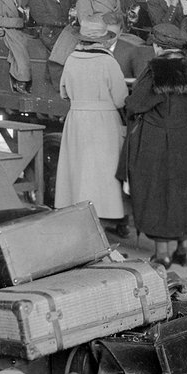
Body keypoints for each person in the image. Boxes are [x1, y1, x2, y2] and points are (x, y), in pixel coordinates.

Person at [118, 24, 187, 268]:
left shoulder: (156, 69)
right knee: (181, 190)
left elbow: (136, 104)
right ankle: (184, 249)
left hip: (154, 138)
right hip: (181, 137)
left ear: (158, 46)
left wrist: (128, 100)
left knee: (154, 192)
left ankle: (162, 255)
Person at [53, 17, 129, 235]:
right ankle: (99, 227)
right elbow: (121, 98)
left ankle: (79, 221)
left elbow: (64, 91)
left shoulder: (72, 58)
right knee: (101, 173)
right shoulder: (108, 61)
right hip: (103, 121)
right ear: (103, 41)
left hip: (76, 119)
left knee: (77, 169)